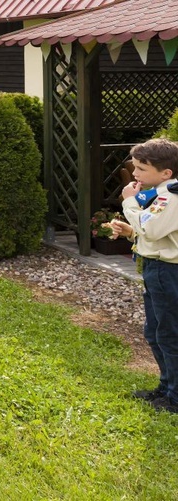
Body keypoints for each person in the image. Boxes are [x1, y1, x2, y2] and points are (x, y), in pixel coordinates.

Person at [109, 138, 178, 413]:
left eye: (141, 169)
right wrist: (130, 231)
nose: (135, 174)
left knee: (169, 334)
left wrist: (129, 204)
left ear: (166, 174)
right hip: (157, 269)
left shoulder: (170, 196)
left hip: (167, 271)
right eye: (135, 167)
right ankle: (166, 387)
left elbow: (151, 228)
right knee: (155, 332)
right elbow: (159, 233)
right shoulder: (162, 193)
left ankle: (175, 398)